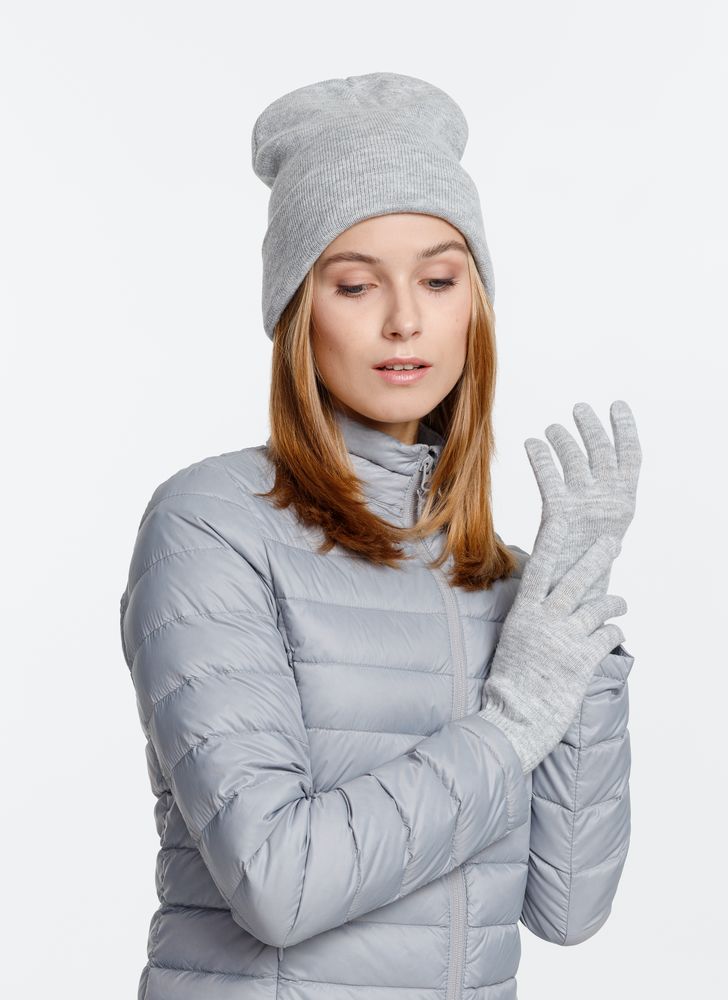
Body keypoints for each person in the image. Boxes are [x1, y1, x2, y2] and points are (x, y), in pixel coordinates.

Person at [119, 71, 642, 1000]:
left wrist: (577, 639)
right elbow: (277, 882)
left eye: (439, 280)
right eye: (356, 284)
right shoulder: (212, 526)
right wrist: (512, 724)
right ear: (297, 311)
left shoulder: (496, 579)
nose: (405, 320)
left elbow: (568, 905)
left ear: (474, 304)